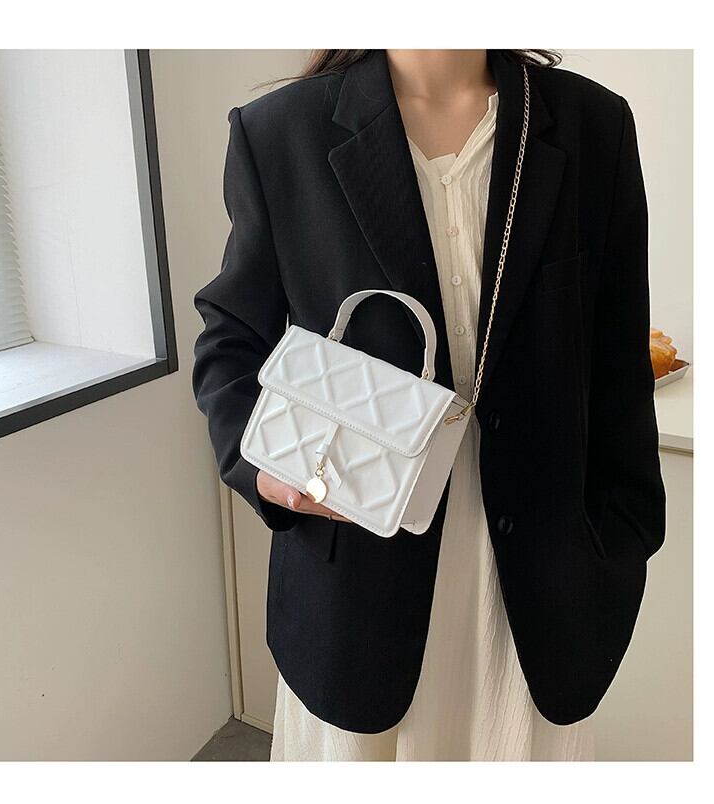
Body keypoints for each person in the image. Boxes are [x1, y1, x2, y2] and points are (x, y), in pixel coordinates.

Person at [192, 49, 666, 761]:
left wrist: (624, 539)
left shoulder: (591, 125)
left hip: (540, 592)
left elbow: (618, 354)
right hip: (354, 583)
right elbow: (231, 338)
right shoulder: (280, 133)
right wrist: (264, 470)